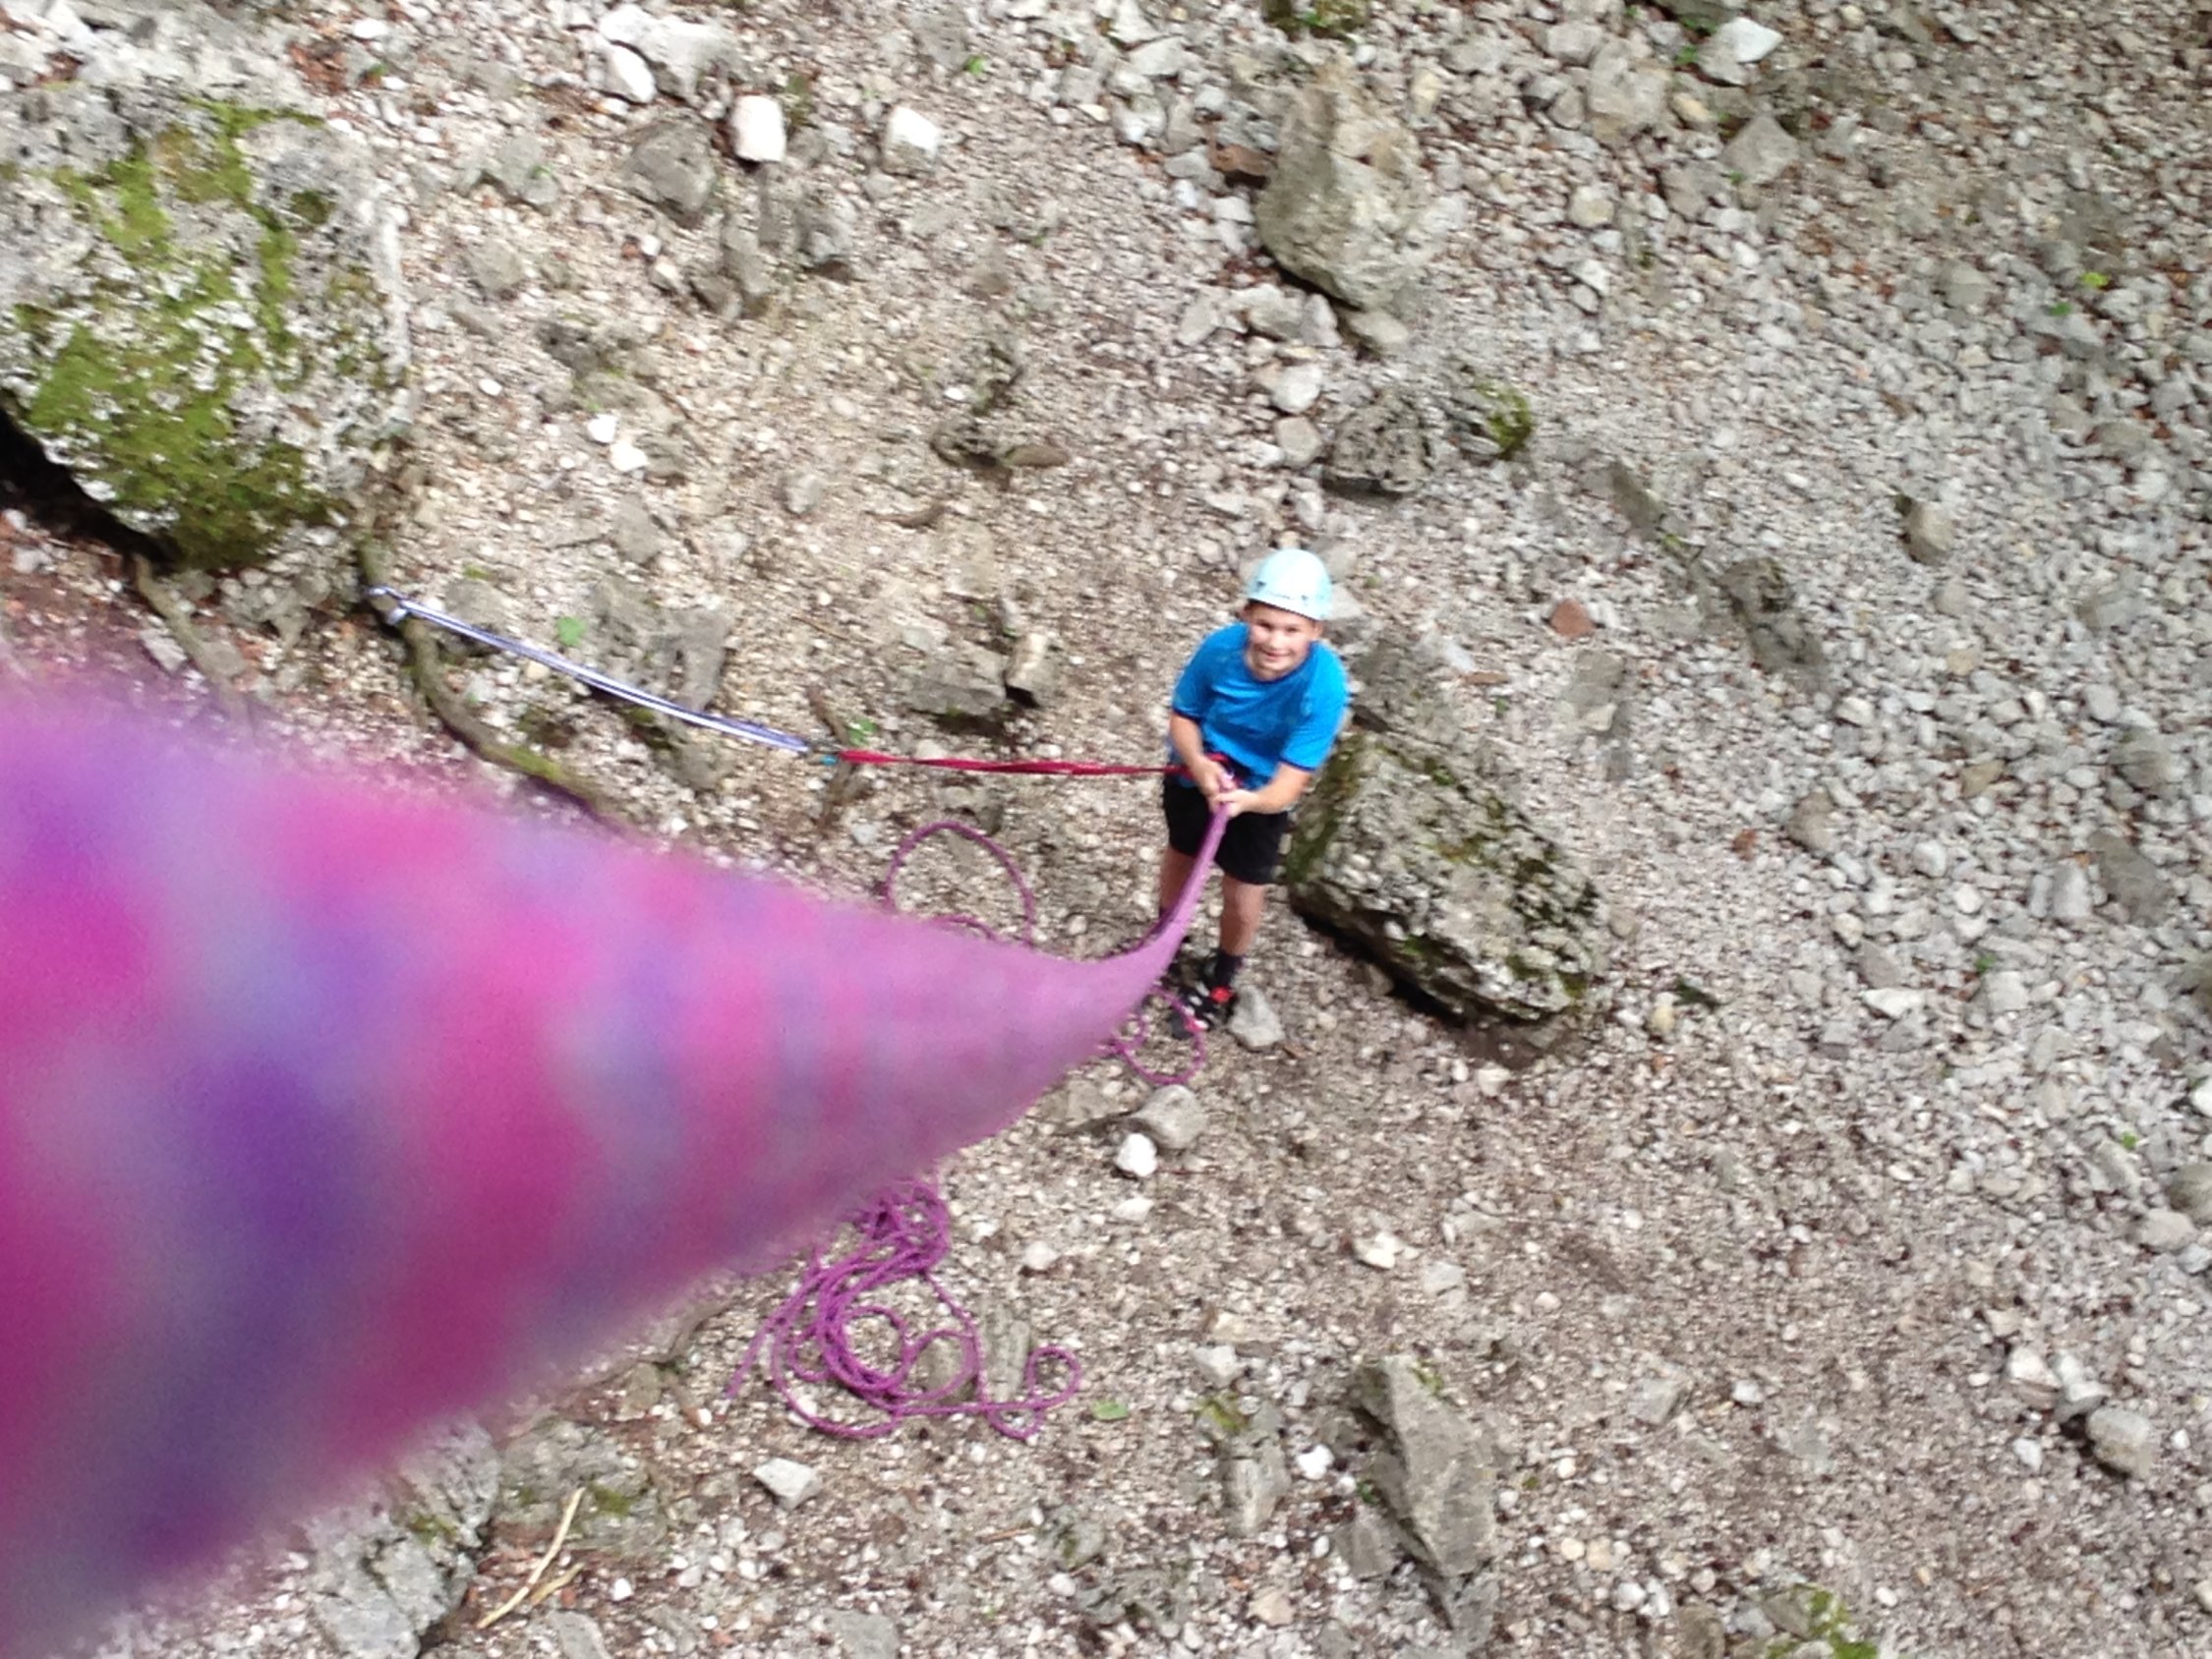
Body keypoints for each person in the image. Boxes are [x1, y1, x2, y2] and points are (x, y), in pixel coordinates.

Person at [1159, 546, 1350, 1027]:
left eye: (1292, 630)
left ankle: (1222, 976)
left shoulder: (1324, 686)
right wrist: (1198, 764)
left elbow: (1290, 783)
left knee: (1244, 892)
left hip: (1260, 793)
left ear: (1316, 631)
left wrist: (1252, 801)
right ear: (1247, 614)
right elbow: (1184, 717)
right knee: (1181, 855)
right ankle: (1163, 944)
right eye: (1265, 625)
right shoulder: (1220, 650)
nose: (1276, 642)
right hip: (1197, 770)